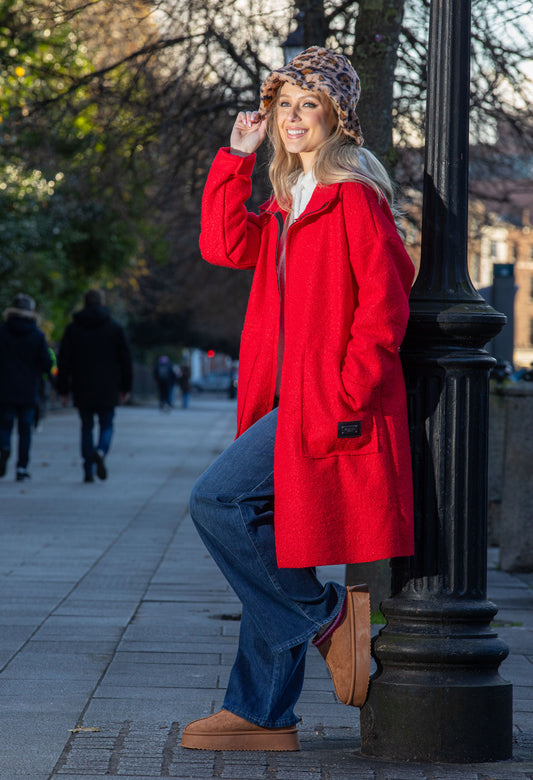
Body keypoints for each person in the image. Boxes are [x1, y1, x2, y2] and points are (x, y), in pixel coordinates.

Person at [181, 47, 415, 752]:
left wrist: (349, 393)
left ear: (336, 117)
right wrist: (236, 156)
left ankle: (327, 619)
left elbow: (384, 305)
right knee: (272, 546)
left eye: (306, 104)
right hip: (285, 403)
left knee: (217, 501)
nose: (291, 118)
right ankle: (260, 713)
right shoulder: (289, 204)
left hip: (327, 407)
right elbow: (223, 245)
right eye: (283, 105)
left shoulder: (352, 198)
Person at [57, 289, 133, 483]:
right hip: (108, 387)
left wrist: (63, 389)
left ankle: (88, 468)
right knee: (107, 425)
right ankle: (100, 450)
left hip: (82, 387)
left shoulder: (73, 330)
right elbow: (126, 361)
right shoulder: (114, 329)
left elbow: (64, 361)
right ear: (103, 304)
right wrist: (125, 387)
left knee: (86, 427)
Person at [0, 294, 53, 482]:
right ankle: (22, 467)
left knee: (4, 426)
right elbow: (47, 363)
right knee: (25, 430)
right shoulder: (37, 335)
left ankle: (4, 447)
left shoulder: (2, 331)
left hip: (4, 388)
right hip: (29, 390)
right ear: (31, 311)